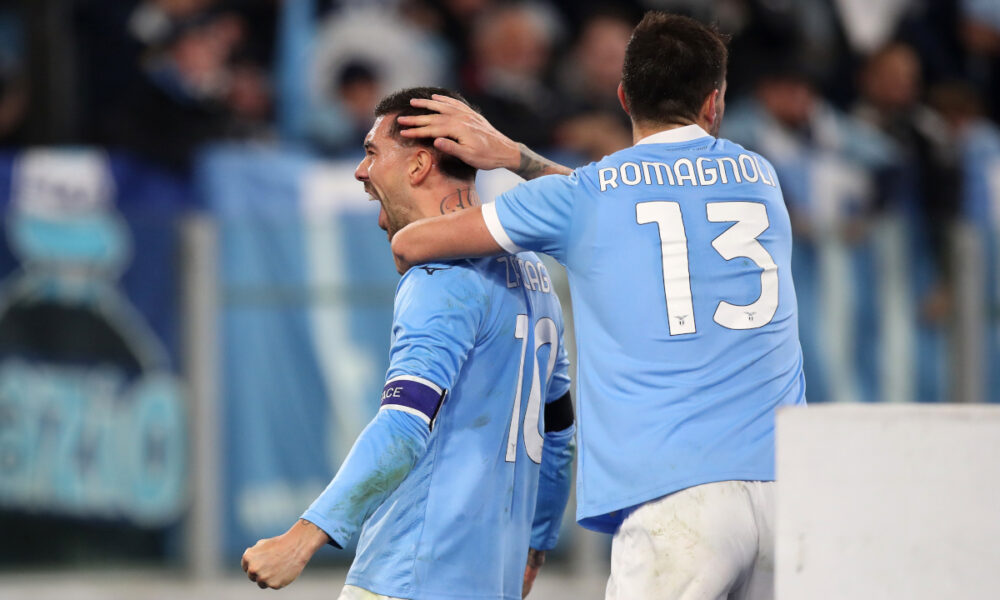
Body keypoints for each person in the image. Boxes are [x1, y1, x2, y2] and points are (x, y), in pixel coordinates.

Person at [391, 13, 806, 600]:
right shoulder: (760, 176)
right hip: (788, 495)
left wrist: (507, 163)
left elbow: (413, 243)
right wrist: (520, 156)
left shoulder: (587, 198)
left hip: (677, 497)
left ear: (621, 95)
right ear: (713, 104)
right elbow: (631, 200)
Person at [240, 87, 576, 600]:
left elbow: (403, 425)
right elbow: (560, 433)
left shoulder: (441, 275)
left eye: (372, 152)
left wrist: (302, 537)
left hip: (412, 575)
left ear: (419, 165)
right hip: (493, 582)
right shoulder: (535, 277)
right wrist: (535, 544)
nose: (360, 171)